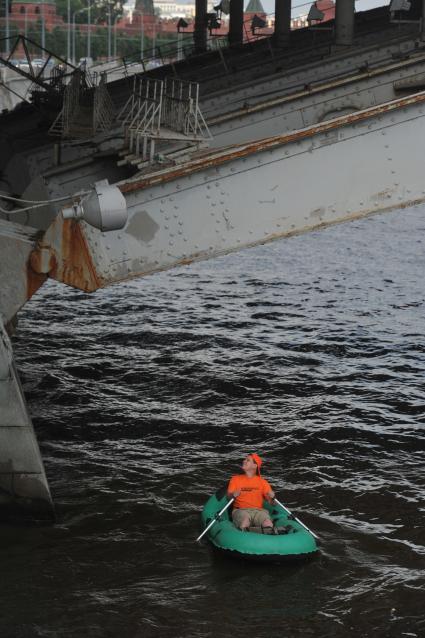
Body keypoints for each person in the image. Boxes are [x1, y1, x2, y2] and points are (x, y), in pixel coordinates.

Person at [227, 453, 275, 531]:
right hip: (241, 510)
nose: (244, 461)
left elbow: (272, 503)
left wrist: (273, 498)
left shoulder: (263, 482)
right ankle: (244, 538)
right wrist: (233, 495)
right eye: (245, 459)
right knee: (245, 522)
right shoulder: (235, 479)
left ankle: (268, 539)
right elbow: (228, 498)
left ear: (255, 466)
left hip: (258, 511)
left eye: (248, 460)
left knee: (268, 523)